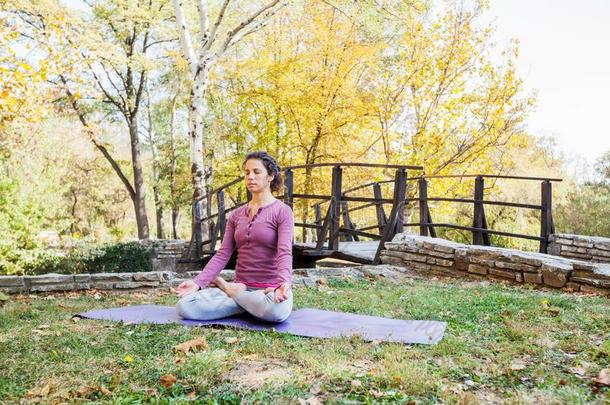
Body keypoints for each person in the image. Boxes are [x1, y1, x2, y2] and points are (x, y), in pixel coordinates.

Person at [175, 151, 294, 323]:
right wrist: (198, 282)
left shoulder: (283, 211)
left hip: (270, 290)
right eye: (247, 172)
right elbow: (223, 253)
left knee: (277, 312)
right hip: (243, 285)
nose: (250, 177)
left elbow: (284, 252)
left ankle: (232, 293)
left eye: (256, 172)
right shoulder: (237, 215)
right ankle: (248, 304)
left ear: (270, 176)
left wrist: (283, 284)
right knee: (185, 306)